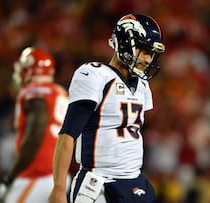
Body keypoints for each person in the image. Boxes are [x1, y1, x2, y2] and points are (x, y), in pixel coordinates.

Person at [48, 13, 165, 203]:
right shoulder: (94, 74)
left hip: (134, 182)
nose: (147, 59)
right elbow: (68, 134)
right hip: (98, 183)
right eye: (143, 50)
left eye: (150, 54)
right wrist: (59, 188)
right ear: (125, 43)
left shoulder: (143, 85)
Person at [0, 47, 70, 202]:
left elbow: (35, 135)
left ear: (30, 69)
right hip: (58, 173)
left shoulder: (34, 92)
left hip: (38, 174)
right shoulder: (60, 92)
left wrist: (9, 176)